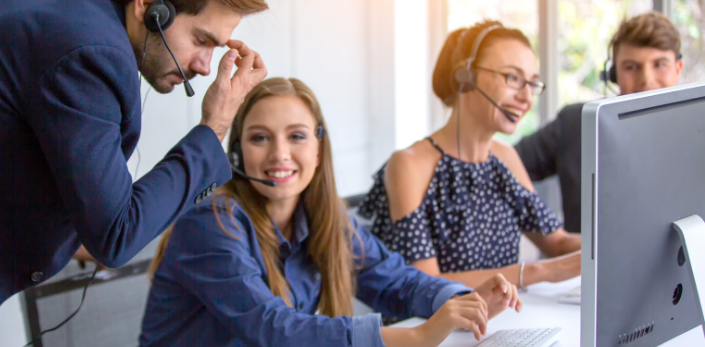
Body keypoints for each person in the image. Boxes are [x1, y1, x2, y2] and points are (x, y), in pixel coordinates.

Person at [0, 0, 268, 345]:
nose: (203, 64)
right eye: (202, 40)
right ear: (150, 5)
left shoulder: (66, 8)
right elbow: (115, 236)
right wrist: (214, 126)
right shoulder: (88, 54)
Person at [140, 77, 522, 347]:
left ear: (319, 150)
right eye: (260, 138)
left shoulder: (325, 222)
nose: (279, 154)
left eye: (297, 136)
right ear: (237, 154)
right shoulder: (211, 224)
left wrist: (461, 300)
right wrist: (418, 338)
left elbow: (397, 281)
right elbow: (274, 330)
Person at [358, 21, 582, 290]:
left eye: (532, 84)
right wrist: (538, 271)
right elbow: (426, 282)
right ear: (466, 75)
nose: (526, 97)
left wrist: (614, 243)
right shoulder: (409, 164)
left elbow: (557, 242)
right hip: (438, 330)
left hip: (502, 322)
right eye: (512, 78)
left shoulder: (505, 158)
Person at [515, 12, 683, 233]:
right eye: (631, 67)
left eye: (660, 64)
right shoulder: (577, 124)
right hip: (586, 265)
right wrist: (553, 236)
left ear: (678, 69)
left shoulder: (696, 133)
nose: (647, 79)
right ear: (613, 75)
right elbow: (502, 166)